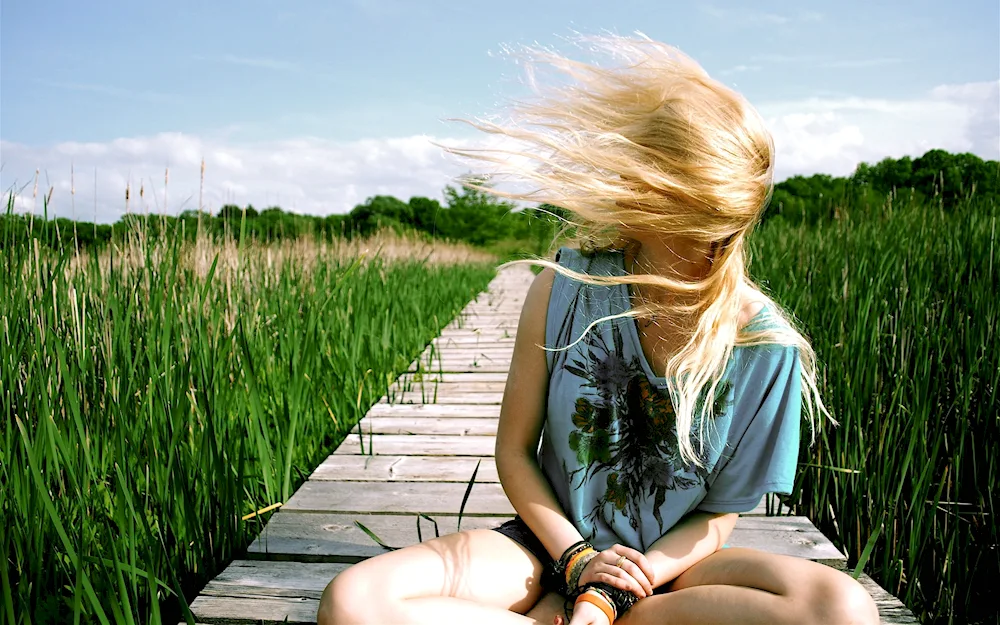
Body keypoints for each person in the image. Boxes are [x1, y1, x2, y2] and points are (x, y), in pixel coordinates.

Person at [318, 33, 880, 625]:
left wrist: (618, 590)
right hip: (547, 547)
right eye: (688, 219)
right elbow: (514, 453)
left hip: (672, 571)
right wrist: (580, 563)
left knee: (844, 610)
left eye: (724, 223)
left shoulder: (763, 347)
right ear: (641, 194)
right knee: (354, 602)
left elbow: (718, 516)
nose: (708, 249)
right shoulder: (563, 286)